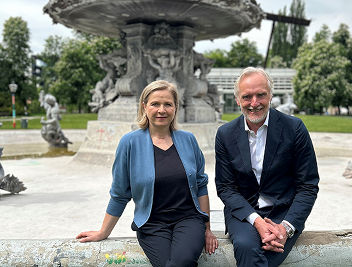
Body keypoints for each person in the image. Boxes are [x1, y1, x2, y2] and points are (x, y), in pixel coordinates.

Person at [77, 80, 218, 266]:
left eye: (168, 104)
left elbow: (201, 186)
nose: (162, 110)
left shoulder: (188, 140)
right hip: (152, 224)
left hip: (188, 220)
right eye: (155, 104)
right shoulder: (129, 143)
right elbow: (119, 194)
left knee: (180, 262)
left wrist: (207, 228)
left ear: (175, 107)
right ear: (144, 107)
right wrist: (104, 232)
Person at [215, 67, 319, 267]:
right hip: (243, 212)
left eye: (260, 95)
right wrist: (258, 222)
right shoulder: (225, 134)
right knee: (246, 246)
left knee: (262, 252)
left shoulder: (295, 128)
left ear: (270, 95)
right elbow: (226, 188)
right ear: (237, 100)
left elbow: (308, 185)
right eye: (247, 97)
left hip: (284, 212)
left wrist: (286, 229)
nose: (254, 103)